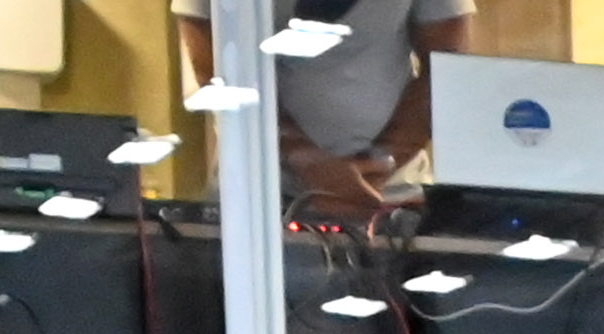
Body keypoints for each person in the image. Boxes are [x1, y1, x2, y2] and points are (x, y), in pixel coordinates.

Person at [170, 0, 463, 222]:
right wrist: (312, 164)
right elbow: (216, 69)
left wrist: (379, 164)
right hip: (259, 196)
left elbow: (446, 66)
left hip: (391, 193)